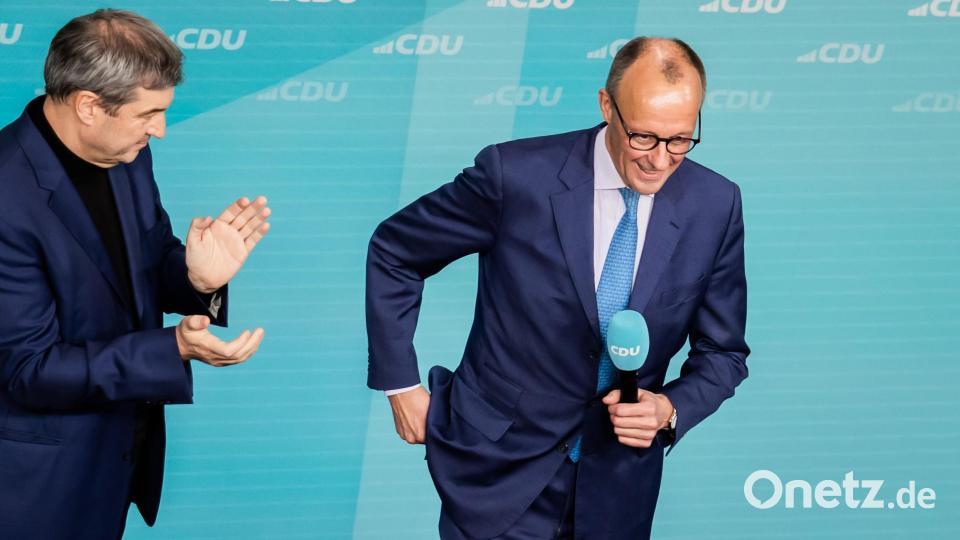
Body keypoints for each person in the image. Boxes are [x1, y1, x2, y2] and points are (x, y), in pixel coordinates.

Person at [366, 37, 749, 539]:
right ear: (607, 106)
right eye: (644, 138)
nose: (660, 160)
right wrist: (400, 385)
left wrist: (669, 409)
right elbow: (396, 251)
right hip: (495, 472)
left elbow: (723, 353)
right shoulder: (515, 176)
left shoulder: (715, 204)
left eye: (680, 139)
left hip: (617, 491)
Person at [0, 9, 271, 539]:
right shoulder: (6, 196)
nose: (161, 130)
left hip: (111, 466)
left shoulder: (126, 155)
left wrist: (197, 280)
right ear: (88, 106)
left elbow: (143, 263)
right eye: (149, 113)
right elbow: (28, 371)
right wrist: (172, 348)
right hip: (32, 491)